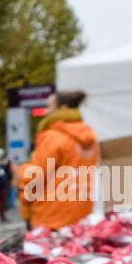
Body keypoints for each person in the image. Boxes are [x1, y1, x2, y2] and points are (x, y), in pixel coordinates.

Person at [19, 90, 99, 230]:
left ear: (61, 109)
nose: (46, 111)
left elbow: (35, 176)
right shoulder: (90, 139)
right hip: (81, 215)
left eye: (49, 106)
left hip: (51, 217)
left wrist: (25, 208)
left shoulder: (53, 137)